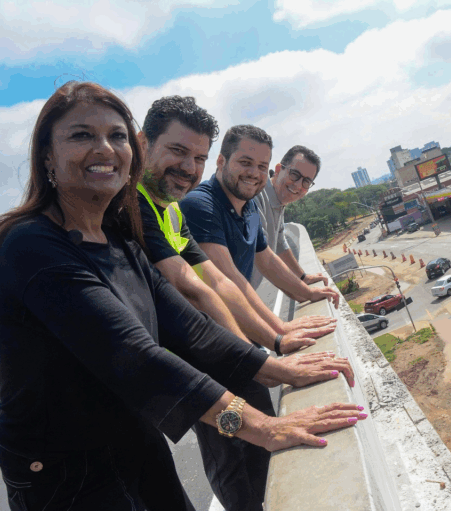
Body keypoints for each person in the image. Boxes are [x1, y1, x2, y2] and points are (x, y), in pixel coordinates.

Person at [0, 82, 366, 511]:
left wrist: (276, 367)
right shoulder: (30, 245)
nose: (105, 149)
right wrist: (262, 426)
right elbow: (135, 357)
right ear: (46, 155)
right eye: (82, 135)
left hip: (136, 440)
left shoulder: (119, 239)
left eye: (116, 136)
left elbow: (189, 327)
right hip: (64, 475)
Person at [136, 96, 342, 509]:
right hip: (187, 370)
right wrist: (262, 357)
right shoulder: (137, 206)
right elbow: (192, 286)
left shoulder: (171, 210)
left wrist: (262, 349)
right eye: (177, 151)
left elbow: (216, 282)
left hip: (214, 350)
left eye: (197, 157)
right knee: (231, 452)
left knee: (261, 448)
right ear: (143, 144)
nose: (188, 166)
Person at [137, 96, 334, 354]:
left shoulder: (245, 205)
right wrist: (277, 337)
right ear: (221, 162)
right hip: (202, 339)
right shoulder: (197, 204)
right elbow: (219, 281)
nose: (253, 173)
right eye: (245, 163)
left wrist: (305, 293)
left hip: (230, 325)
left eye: (261, 166)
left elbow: (265, 257)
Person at [252, 145, 328, 289]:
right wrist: (305, 292)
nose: (298, 185)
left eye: (306, 181)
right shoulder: (256, 196)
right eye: (294, 174)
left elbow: (280, 243)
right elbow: (264, 257)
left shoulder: (277, 200)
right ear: (278, 169)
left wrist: (303, 277)